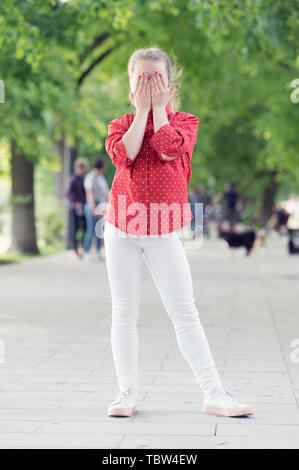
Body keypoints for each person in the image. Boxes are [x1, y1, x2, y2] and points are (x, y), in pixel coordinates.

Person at [103, 47, 253, 418]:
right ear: (131, 89)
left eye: (157, 80)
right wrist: (142, 112)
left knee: (184, 312)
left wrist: (157, 109)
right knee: (123, 311)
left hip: (162, 229)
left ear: (171, 87)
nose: (151, 86)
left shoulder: (185, 122)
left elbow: (168, 148)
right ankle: (126, 394)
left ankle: (214, 392)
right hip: (121, 224)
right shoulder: (120, 125)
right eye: (143, 80)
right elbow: (125, 154)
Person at [83, 158, 110, 261]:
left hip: (101, 206)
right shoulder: (91, 177)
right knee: (90, 230)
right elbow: (89, 193)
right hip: (93, 206)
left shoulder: (101, 177)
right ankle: (87, 252)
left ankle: (98, 252)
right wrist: (93, 207)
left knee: (99, 230)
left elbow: (105, 191)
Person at [65, 158, 88, 258]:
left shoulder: (84, 179)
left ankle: (82, 247)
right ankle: (75, 249)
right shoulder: (72, 179)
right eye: (81, 168)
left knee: (84, 227)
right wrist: (76, 203)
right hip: (74, 208)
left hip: (84, 207)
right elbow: (68, 193)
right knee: (74, 229)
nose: (83, 170)